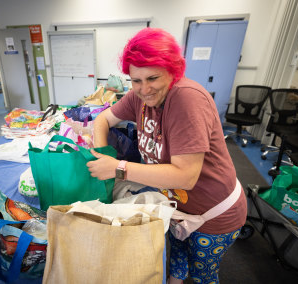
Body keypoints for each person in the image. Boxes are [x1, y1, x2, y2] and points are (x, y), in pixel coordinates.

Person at [86, 27, 247, 284]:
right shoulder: (138, 97)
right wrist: (101, 154)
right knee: (176, 266)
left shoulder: (186, 100)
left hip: (214, 214)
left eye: (153, 78)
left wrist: (117, 168)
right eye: (135, 80)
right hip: (177, 207)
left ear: (173, 70)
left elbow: (186, 176)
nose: (144, 89)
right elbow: (103, 119)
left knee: (202, 277)